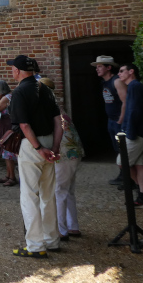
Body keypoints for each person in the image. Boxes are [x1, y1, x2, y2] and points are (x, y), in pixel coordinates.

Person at [7, 55, 63, 258]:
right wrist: (54, 146)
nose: (11, 71)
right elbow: (58, 121)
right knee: (48, 195)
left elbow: (23, 125)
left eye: (13, 68)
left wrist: (38, 147)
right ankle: (52, 240)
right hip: (49, 141)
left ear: (18, 71)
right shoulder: (46, 89)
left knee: (29, 196)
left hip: (32, 145)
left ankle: (35, 245)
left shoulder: (20, 92)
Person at [38, 78, 84, 239]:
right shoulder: (56, 104)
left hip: (64, 153)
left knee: (59, 191)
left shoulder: (48, 105)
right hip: (74, 153)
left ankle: (61, 230)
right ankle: (73, 226)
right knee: (68, 190)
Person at [117, 63, 143, 208]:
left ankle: (142, 190)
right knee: (139, 165)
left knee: (122, 162)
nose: (119, 74)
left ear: (131, 72)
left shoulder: (134, 86)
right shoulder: (135, 87)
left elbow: (134, 111)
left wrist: (128, 133)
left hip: (136, 134)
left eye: (121, 71)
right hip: (140, 132)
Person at [91, 55, 127, 185]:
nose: (97, 69)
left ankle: (128, 178)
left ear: (109, 67)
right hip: (111, 120)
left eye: (100, 66)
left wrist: (121, 119)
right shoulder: (104, 83)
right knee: (117, 150)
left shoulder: (116, 81)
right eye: (97, 67)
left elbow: (125, 101)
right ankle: (123, 175)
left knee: (123, 150)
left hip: (118, 121)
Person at [0, 80, 17, 187]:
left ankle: (12, 177)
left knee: (8, 152)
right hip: (2, 125)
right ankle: (8, 175)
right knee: (5, 152)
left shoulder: (6, 97)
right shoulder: (7, 96)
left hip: (6, 126)